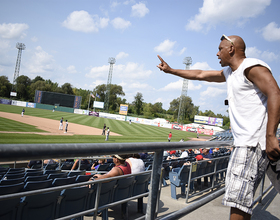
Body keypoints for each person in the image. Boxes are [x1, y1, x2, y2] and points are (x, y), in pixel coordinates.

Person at [157, 34, 280, 220]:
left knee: (238, 204)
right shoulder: (231, 73)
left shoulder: (251, 67)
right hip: (256, 145)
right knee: (242, 205)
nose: (217, 53)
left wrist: (271, 135)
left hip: (251, 145)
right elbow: (200, 74)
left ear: (231, 49)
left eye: (220, 49)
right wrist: (171, 71)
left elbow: (275, 93)